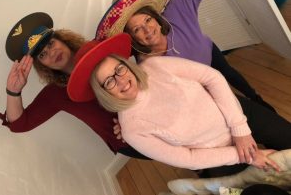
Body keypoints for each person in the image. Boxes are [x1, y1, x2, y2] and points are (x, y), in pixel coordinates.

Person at [67, 32, 291, 173]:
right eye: (109, 81)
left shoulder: (154, 66)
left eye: (119, 69)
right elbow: (189, 158)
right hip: (216, 153)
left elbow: (212, 77)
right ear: (104, 92)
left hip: (236, 113)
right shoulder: (132, 130)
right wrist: (248, 155)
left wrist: (240, 130)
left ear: (126, 64)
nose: (121, 80)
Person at [95, 0, 275, 112]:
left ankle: (259, 103)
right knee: (228, 103)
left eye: (148, 20)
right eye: (136, 29)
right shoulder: (146, 66)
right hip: (196, 86)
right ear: (132, 38)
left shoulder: (175, 13)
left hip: (210, 55)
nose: (147, 29)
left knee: (235, 79)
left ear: (155, 17)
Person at [0, 12, 149, 159]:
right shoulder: (55, 94)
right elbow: (19, 124)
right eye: (42, 54)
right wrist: (13, 91)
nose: (51, 53)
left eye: (51, 43)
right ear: (41, 64)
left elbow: (140, 51)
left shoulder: (98, 49)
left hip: (151, 109)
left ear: (63, 40)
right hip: (128, 142)